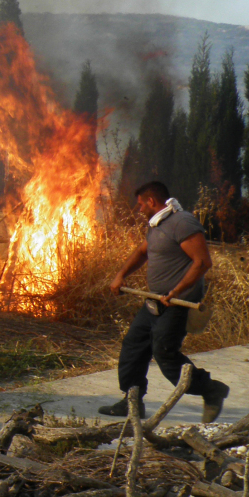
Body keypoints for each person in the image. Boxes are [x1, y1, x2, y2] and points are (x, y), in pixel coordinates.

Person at [101, 181, 229, 423]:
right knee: (133, 346)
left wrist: (176, 291)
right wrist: (121, 275)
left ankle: (211, 390)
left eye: (141, 204)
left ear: (151, 201)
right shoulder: (158, 225)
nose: (139, 209)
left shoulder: (183, 223)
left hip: (178, 303)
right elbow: (142, 252)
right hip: (155, 301)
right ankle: (131, 402)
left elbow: (202, 262)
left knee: (165, 353)